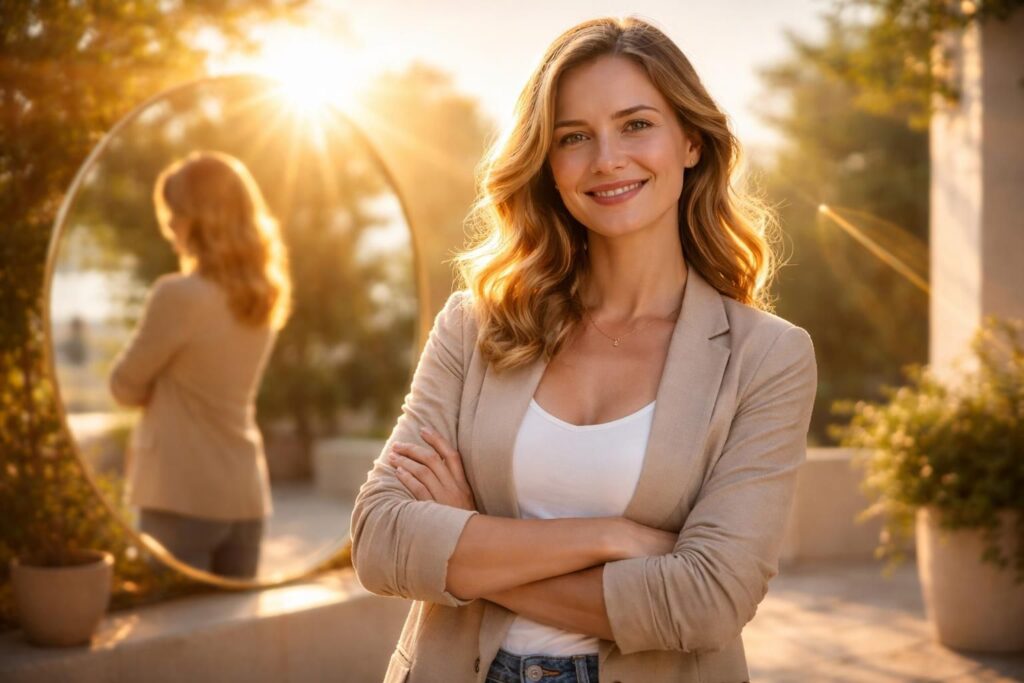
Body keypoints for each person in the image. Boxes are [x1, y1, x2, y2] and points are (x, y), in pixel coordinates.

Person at [350, 15, 818, 683]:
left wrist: (467, 537)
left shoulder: (767, 358)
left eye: (636, 124)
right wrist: (609, 537)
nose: (606, 159)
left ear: (690, 141)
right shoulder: (474, 326)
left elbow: (705, 602)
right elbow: (380, 539)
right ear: (548, 162)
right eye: (574, 136)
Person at [109, 150, 291, 579]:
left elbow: (122, 386)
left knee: (172, 620)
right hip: (245, 497)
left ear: (199, 220)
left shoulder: (178, 296)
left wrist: (158, 387)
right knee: (230, 622)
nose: (169, 226)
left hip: (180, 497)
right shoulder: (264, 297)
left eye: (174, 214)